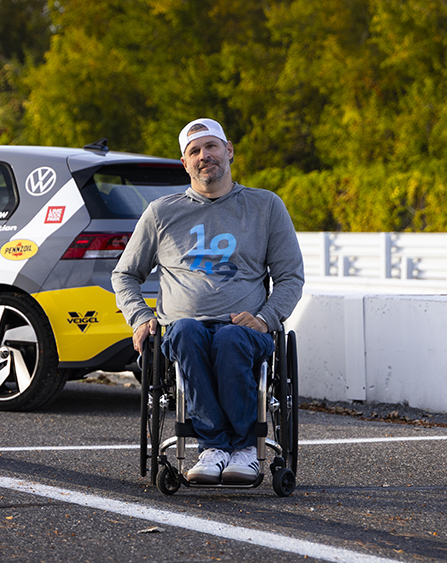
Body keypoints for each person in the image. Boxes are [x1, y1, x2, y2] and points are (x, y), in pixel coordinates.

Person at [111, 118, 304, 485]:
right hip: (184, 331)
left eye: (211, 146)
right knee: (184, 332)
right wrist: (139, 317)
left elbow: (290, 276)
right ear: (185, 163)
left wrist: (266, 319)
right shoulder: (162, 213)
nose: (205, 156)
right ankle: (214, 450)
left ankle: (245, 451)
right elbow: (124, 274)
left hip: (246, 331)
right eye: (194, 151)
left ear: (228, 150)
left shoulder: (265, 206)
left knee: (230, 339)